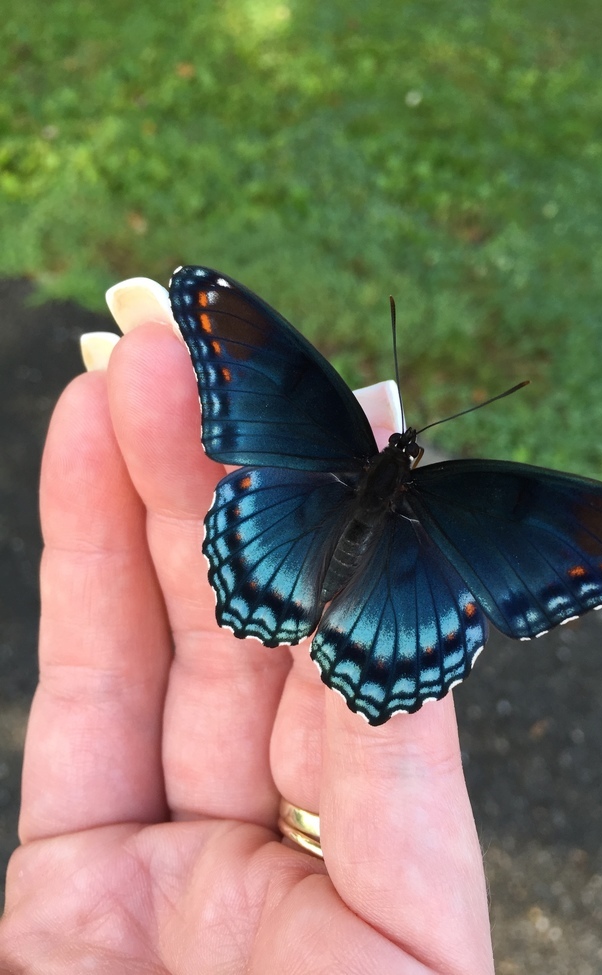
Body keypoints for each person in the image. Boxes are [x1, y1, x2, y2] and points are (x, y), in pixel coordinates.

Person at [0, 278, 494, 973]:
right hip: (394, 589)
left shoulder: (333, 433)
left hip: (288, 525)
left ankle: (280, 602)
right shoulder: (478, 498)